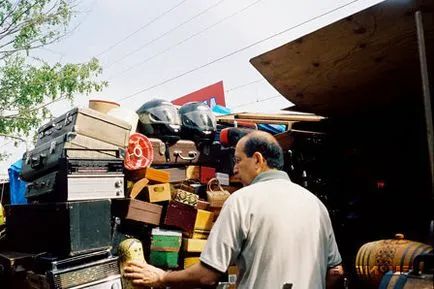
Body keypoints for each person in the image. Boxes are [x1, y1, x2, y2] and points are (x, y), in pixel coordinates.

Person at [123, 131, 344, 289]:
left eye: (238, 160)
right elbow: (335, 272)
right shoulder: (316, 204)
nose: (235, 168)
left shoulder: (242, 200)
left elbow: (206, 276)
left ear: (258, 160)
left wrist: (162, 278)